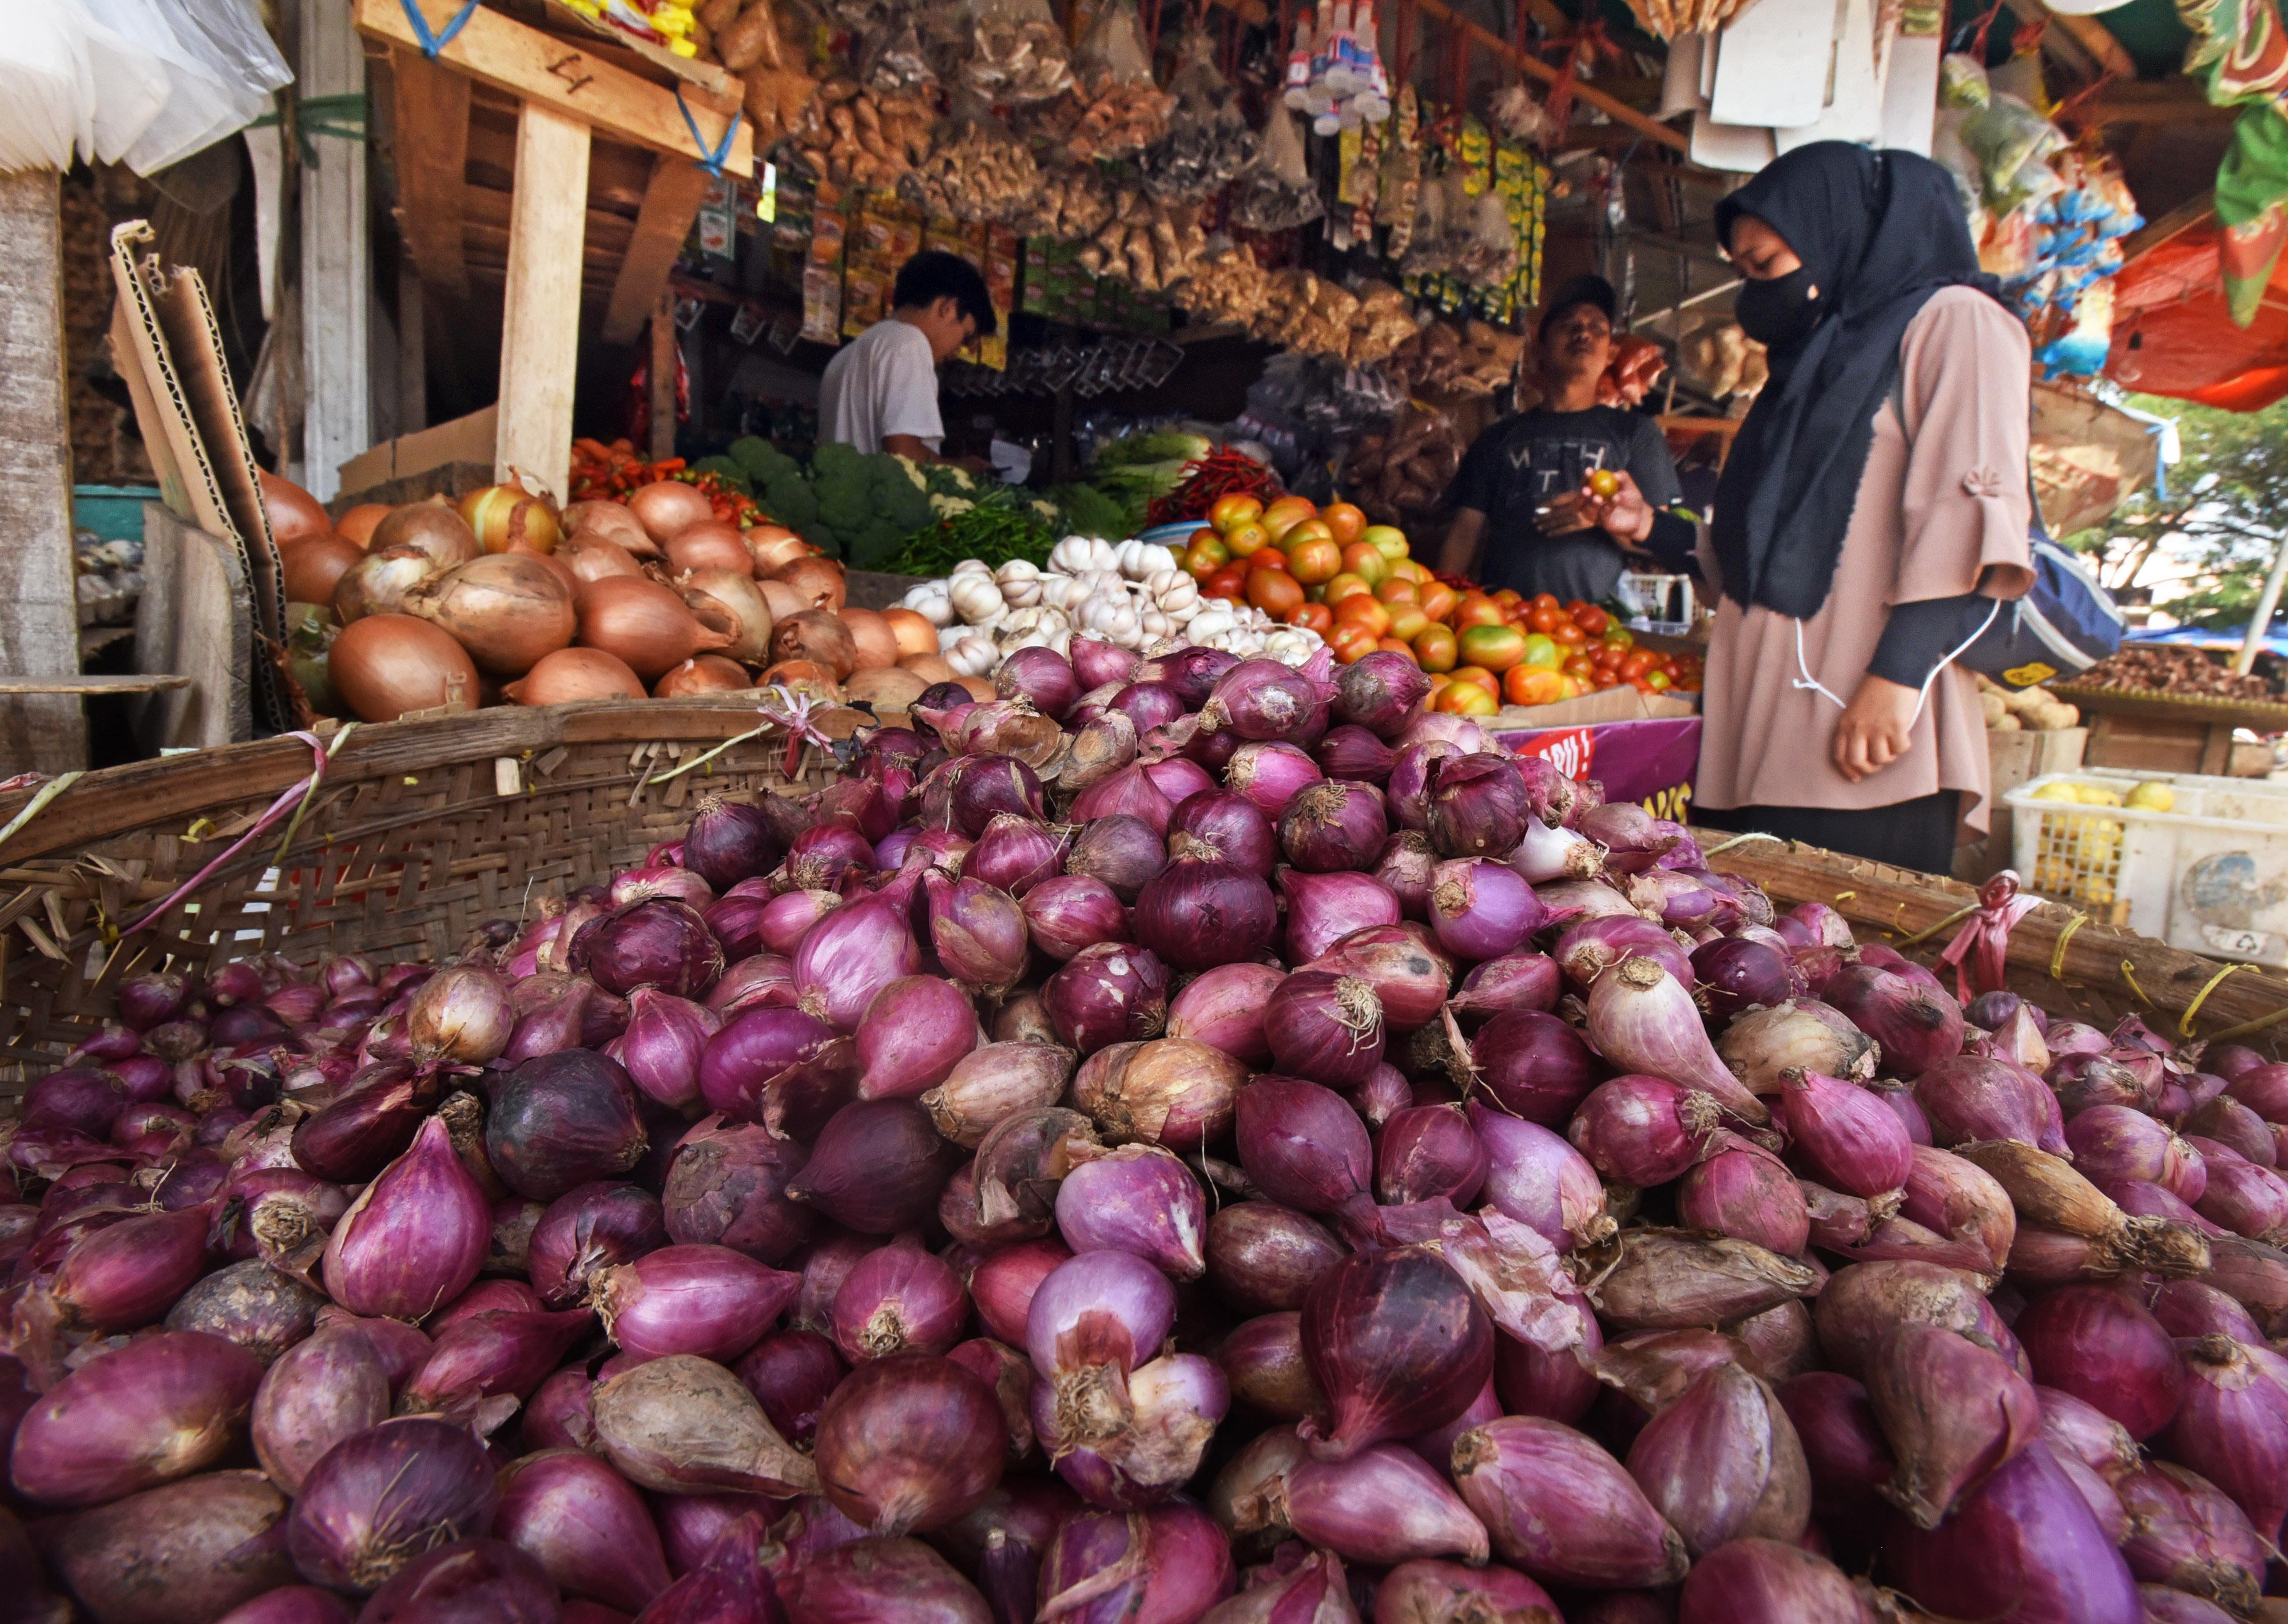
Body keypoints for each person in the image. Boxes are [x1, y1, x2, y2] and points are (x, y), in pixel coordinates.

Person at [1583, 142, 2035, 874]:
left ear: (1838, 236)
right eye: (1745, 271)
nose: (1755, 291)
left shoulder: (1955, 323)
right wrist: (1654, 530)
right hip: (1758, 726)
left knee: (1854, 970)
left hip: (1863, 731)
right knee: (1750, 967)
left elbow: (1970, 517)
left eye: (1765, 265)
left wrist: (1896, 679)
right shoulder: (1813, 367)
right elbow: (1766, 546)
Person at [1436, 273, 1694, 603]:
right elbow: (1464, 533)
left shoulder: (1636, 434)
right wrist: (1442, 604)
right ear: (1539, 348)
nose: (1583, 333)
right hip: (1500, 623)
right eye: (1568, 325)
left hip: (1594, 633)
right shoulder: (1497, 437)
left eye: (1597, 328)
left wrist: (1601, 520)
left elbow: (1662, 543)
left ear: (1611, 353)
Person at [817, 250, 995, 468]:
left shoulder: (849, 353)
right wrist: (963, 469)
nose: (958, 351)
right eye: (965, 337)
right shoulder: (909, 343)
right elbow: (903, 454)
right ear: (947, 309)